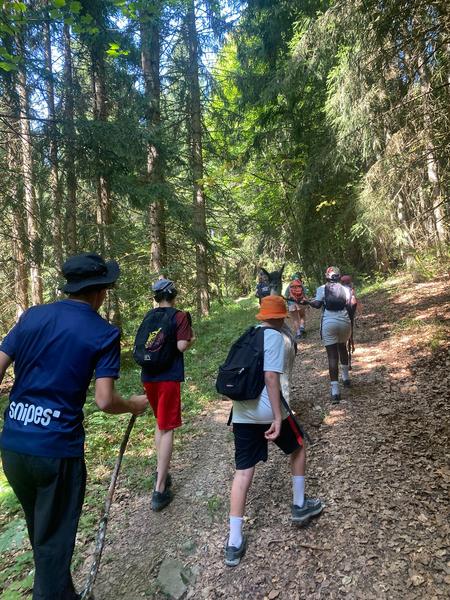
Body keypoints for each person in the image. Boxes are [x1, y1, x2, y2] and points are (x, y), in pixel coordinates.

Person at [0, 252, 148, 600]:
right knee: (53, 544)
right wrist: (133, 405)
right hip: (57, 452)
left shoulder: (32, 316)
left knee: (44, 535)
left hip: (14, 446)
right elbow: (104, 400)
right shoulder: (104, 333)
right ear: (99, 291)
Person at [225, 295, 323, 567]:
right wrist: (278, 417)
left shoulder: (248, 335)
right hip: (268, 411)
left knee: (243, 472)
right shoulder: (276, 337)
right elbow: (271, 377)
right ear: (280, 317)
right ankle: (299, 504)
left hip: (241, 412)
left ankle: (234, 542)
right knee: (298, 447)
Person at [140, 278, 195, 512]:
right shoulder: (179, 316)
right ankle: (160, 489)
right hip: (168, 378)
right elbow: (181, 346)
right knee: (168, 427)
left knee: (160, 424)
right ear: (173, 295)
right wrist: (191, 340)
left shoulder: (149, 316)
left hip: (148, 376)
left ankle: (161, 471)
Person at [302, 266, 355, 404]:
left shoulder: (322, 289)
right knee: (342, 347)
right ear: (339, 276)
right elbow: (351, 305)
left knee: (332, 356)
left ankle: (335, 391)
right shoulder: (346, 289)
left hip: (329, 322)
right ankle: (346, 378)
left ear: (326, 276)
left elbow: (317, 304)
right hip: (344, 322)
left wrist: (307, 301)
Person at [284, 274, 307, 339]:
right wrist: (307, 303)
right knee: (302, 316)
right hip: (300, 303)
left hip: (291, 304)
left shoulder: (290, 285)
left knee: (295, 319)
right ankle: (302, 327)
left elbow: (286, 295)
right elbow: (305, 294)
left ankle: (298, 333)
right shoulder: (301, 285)